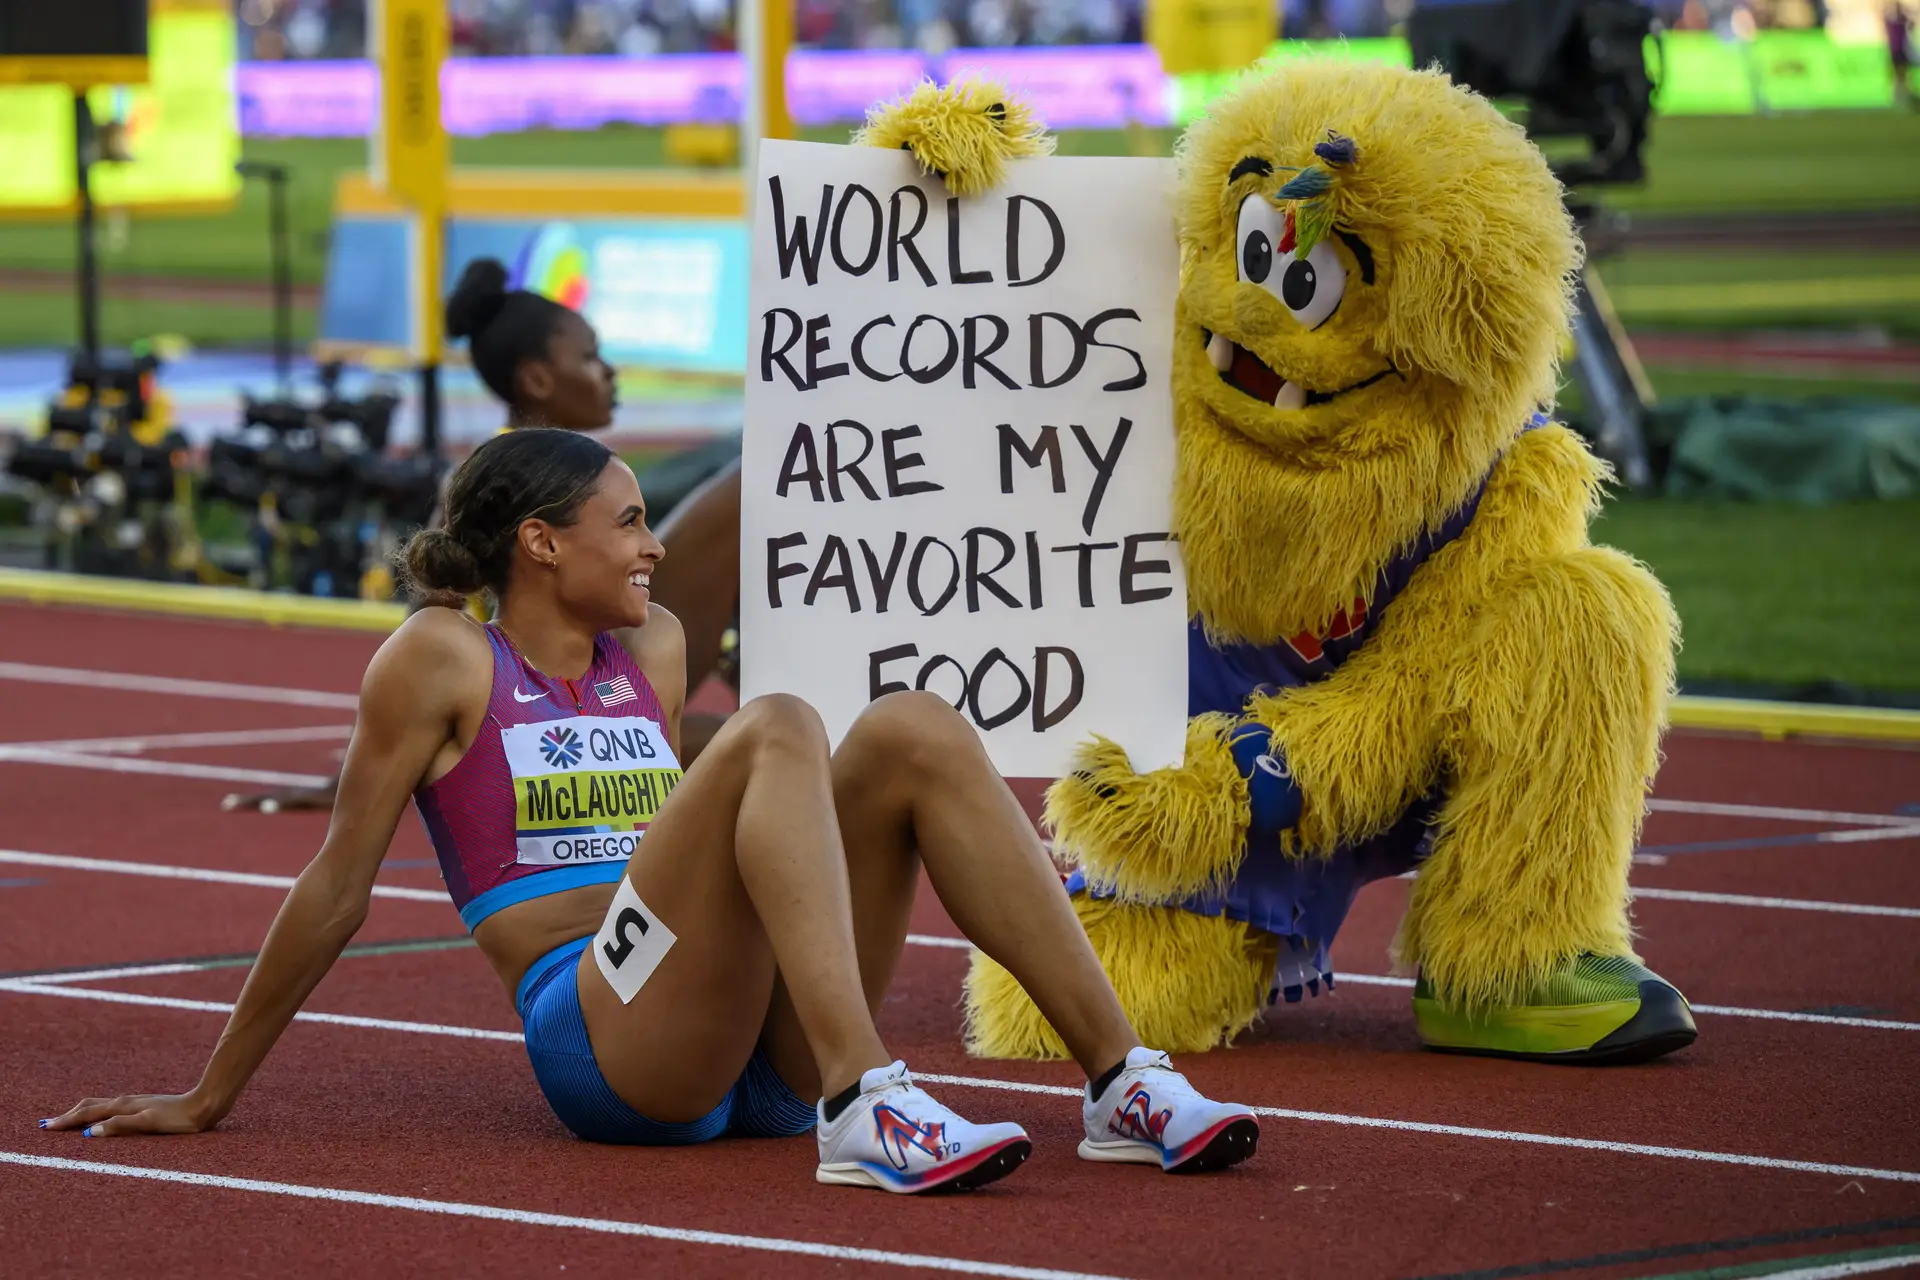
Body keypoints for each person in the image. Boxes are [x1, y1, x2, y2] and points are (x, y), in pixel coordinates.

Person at [47, 428, 1259, 1192]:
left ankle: (1121, 1081)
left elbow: (739, 823)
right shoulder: (439, 658)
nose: (652, 550)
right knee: (776, 722)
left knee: (912, 727)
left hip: (750, 1049)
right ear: (537, 541)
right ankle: (866, 1099)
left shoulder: (660, 648)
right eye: (627, 522)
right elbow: (335, 885)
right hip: (605, 1037)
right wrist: (209, 1092)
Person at [223, 257, 738, 811]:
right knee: (747, 741)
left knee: (748, 729)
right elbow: (424, 613)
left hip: (584, 693)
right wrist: (366, 768)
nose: (608, 371)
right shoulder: (498, 476)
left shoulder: (588, 476)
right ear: (538, 379)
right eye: (589, 357)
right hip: (527, 715)